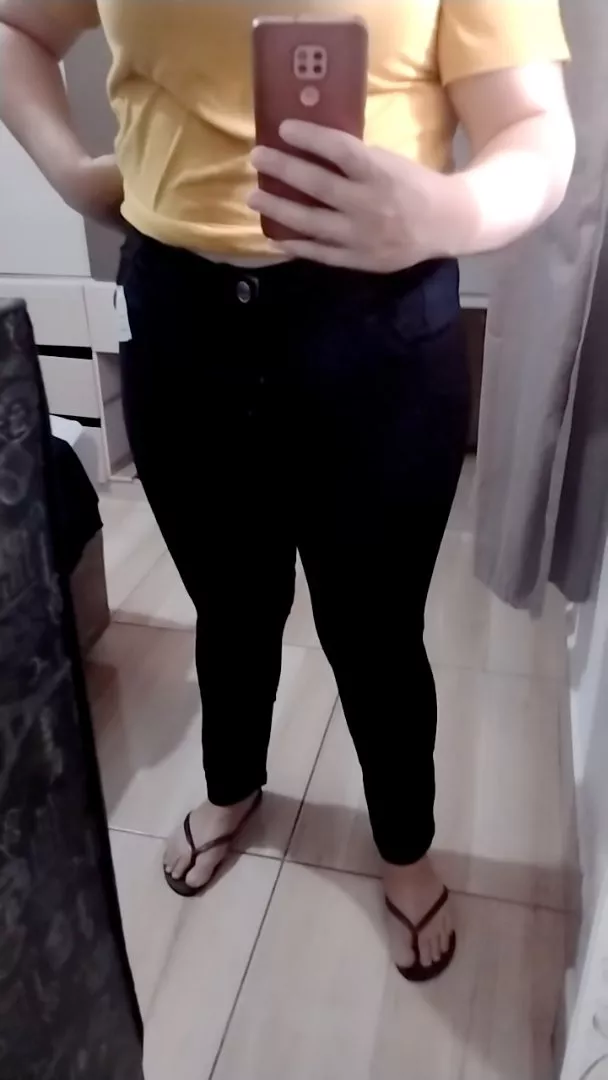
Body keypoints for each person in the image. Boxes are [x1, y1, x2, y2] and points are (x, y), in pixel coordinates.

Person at [0, 0, 574, 983]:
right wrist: (68, 171)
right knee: (229, 603)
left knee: (375, 630)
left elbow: (533, 129)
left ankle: (404, 844)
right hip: (179, 320)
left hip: (376, 324)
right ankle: (233, 783)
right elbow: (17, 27)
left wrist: (444, 215)